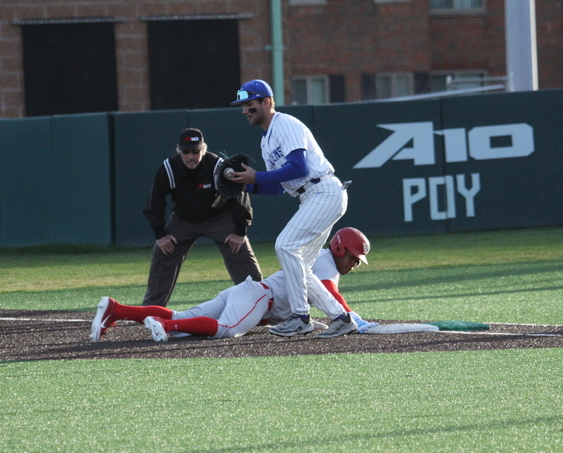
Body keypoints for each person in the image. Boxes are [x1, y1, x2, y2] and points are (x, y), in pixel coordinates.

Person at [90, 227, 375, 342]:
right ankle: (165, 326)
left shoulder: (321, 258)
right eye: (353, 257)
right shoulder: (326, 262)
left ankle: (116, 309)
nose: (354, 263)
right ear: (339, 248)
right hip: (260, 298)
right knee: (226, 330)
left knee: (183, 315)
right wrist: (351, 318)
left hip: (250, 294)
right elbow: (330, 293)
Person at [227, 79, 352, 338]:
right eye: (242, 106)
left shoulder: (285, 123)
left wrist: (256, 176)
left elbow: (298, 168)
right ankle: (341, 318)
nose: (244, 110)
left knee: (285, 246)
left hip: (323, 191)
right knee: (300, 266)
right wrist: (244, 185)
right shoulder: (266, 141)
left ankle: (300, 317)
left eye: (249, 104)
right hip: (313, 196)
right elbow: (279, 186)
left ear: (267, 102)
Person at [142, 127, 262, 307]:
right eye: (186, 152)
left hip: (219, 217)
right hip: (183, 219)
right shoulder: (169, 167)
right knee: (163, 254)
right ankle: (151, 310)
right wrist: (160, 234)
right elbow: (155, 201)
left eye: (195, 151)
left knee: (241, 253)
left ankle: (262, 305)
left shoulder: (218, 166)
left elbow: (239, 196)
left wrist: (240, 231)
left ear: (203, 150)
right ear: (178, 150)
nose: (190, 156)